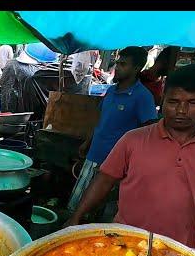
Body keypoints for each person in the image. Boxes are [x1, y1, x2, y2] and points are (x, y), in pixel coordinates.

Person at [67, 64, 195, 251]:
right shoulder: (133, 139)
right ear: (163, 96)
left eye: (193, 103)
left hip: (181, 249)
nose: (181, 110)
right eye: (173, 101)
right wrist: (76, 217)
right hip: (125, 242)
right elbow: (104, 179)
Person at [67, 46, 157, 212]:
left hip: (117, 165)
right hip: (94, 155)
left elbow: (150, 132)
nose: (117, 67)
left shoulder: (143, 97)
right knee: (78, 204)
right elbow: (101, 120)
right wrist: (87, 142)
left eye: (123, 64)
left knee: (102, 209)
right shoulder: (111, 91)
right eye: (118, 63)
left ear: (136, 68)